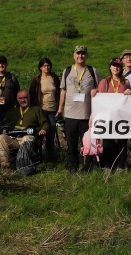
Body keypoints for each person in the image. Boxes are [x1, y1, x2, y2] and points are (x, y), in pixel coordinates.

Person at [57, 45, 101, 173]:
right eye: (78, 53)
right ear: (74, 55)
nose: (80, 56)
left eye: (83, 53)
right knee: (71, 143)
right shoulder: (67, 70)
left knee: (86, 143)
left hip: (87, 115)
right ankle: (72, 166)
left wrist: (96, 90)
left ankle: (86, 166)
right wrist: (60, 108)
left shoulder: (93, 71)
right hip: (70, 114)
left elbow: (101, 88)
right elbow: (63, 91)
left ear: (86, 56)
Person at [0, 89, 48, 169]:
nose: (23, 100)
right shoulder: (12, 111)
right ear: (17, 99)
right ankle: (6, 165)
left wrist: (44, 129)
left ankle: (23, 164)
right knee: (1, 138)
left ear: (29, 98)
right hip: (14, 139)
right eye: (20, 98)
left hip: (29, 137)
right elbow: (3, 124)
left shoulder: (37, 110)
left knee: (26, 138)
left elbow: (45, 122)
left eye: (25, 97)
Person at [96, 57, 131, 172]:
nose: (116, 68)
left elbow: (130, 100)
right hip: (108, 117)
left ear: (121, 68)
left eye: (118, 66)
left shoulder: (126, 82)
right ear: (110, 67)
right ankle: (108, 165)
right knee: (108, 141)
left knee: (122, 141)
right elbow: (99, 99)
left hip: (122, 117)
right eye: (114, 65)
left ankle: (121, 166)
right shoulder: (104, 82)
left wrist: (130, 92)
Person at [29, 58, 60, 161]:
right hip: (41, 109)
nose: (47, 67)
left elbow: (59, 93)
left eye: (48, 65)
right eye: (45, 66)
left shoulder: (54, 77)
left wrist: (60, 107)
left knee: (51, 131)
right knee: (40, 132)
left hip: (53, 109)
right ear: (40, 67)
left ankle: (50, 155)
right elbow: (32, 95)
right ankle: (37, 155)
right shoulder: (37, 79)